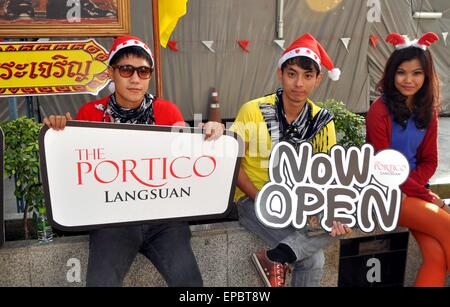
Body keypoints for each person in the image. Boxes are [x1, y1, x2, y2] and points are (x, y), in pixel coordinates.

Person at [43, 35, 224, 287]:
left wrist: (209, 135)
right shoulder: (89, 114)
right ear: (111, 72)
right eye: (126, 69)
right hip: (112, 221)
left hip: (164, 220)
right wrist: (59, 133)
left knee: (191, 284)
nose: (136, 79)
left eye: (143, 71)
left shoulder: (168, 111)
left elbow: (187, 162)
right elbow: (73, 172)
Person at [230, 33, 351, 287]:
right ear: (280, 74)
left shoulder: (322, 121)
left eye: (308, 76)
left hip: (300, 201)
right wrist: (261, 197)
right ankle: (277, 256)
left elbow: (326, 173)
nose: (299, 83)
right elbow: (234, 164)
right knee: (313, 260)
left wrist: (330, 211)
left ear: (318, 79)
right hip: (254, 199)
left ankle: (275, 256)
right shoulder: (253, 110)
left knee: (347, 218)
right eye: (292, 74)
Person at [366, 32, 450, 287]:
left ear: (426, 76)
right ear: (392, 74)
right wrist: (422, 195)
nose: (409, 80)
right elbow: (381, 167)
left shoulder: (429, 111)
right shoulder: (379, 110)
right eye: (402, 72)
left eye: (417, 73)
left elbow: (430, 161)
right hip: (382, 193)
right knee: (446, 224)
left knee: (436, 257)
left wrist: (415, 191)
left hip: (410, 193)